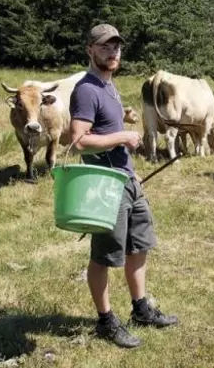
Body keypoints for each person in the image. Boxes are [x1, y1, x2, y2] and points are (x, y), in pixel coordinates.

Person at [68, 23, 178, 349]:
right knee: (103, 256)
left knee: (139, 244)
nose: (112, 52)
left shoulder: (109, 86)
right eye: (104, 46)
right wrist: (123, 136)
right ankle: (105, 321)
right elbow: (78, 142)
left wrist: (123, 119)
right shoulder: (87, 89)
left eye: (116, 46)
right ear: (90, 49)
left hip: (129, 179)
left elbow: (102, 123)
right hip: (104, 185)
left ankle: (141, 308)